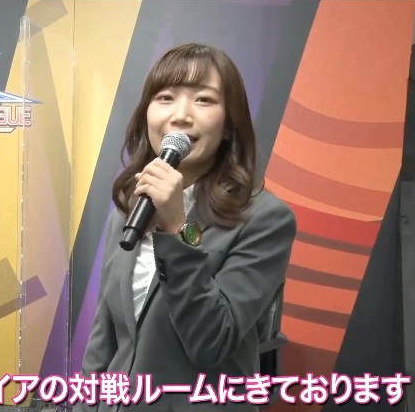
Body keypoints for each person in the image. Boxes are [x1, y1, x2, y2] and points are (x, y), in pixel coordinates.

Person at [77, 43, 297, 411]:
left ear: (229, 126)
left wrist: (176, 228)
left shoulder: (264, 219)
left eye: (204, 100)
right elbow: (105, 336)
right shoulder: (130, 209)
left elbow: (211, 342)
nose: (180, 115)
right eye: (165, 98)